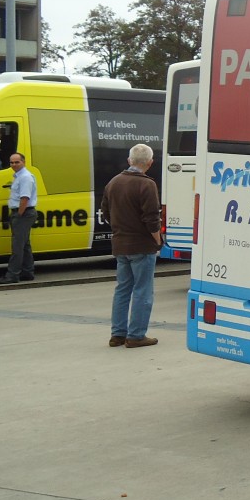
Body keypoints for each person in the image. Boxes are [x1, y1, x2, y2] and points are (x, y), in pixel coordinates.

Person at [101, 143, 163, 348]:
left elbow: (106, 212)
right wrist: (157, 240)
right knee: (143, 291)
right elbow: (152, 219)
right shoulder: (147, 185)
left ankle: (117, 334)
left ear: (129, 161)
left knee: (122, 290)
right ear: (150, 163)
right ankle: (136, 335)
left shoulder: (113, 182)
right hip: (142, 246)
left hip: (121, 244)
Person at [0, 152, 37, 284]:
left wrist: (19, 215)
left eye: (17, 162)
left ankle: (12, 275)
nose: (14, 165)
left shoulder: (25, 177)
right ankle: (27, 272)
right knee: (25, 244)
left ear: (23, 162)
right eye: (11, 162)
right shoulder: (19, 176)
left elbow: (24, 198)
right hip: (24, 213)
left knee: (17, 246)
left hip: (23, 213)